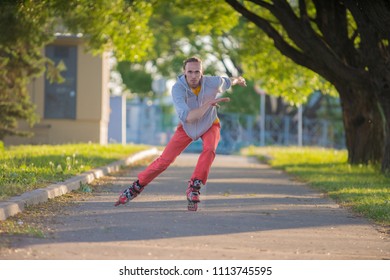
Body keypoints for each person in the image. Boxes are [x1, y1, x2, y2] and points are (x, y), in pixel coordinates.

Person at [115, 56, 246, 209]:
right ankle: (136, 186)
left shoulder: (213, 82)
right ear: (184, 72)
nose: (193, 76)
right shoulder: (178, 88)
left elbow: (229, 80)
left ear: (202, 72)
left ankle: (195, 186)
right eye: (190, 72)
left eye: (197, 72)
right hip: (187, 127)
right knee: (164, 160)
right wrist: (208, 104)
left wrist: (239, 79)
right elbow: (189, 118)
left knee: (210, 149)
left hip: (210, 124)